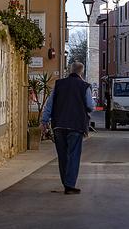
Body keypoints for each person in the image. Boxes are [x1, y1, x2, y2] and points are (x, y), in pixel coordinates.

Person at [41, 62, 95, 195]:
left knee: (63, 155)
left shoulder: (59, 84)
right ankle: (70, 185)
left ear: (70, 70)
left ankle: (66, 182)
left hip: (59, 124)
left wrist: (44, 121)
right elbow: (91, 105)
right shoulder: (84, 86)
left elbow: (50, 104)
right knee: (73, 154)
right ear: (81, 72)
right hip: (76, 125)